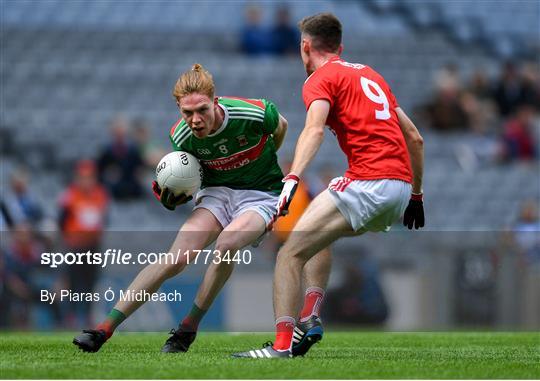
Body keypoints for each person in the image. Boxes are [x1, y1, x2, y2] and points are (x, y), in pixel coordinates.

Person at [73, 64, 331, 353]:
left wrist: (266, 156)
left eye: (202, 110)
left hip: (261, 195)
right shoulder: (181, 136)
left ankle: (187, 328)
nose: (195, 120)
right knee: (175, 258)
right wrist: (175, 190)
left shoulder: (254, 113)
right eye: (187, 113)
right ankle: (103, 330)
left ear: (215, 101)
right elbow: (188, 173)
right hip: (217, 194)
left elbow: (280, 127)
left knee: (227, 243)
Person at [234, 12, 425, 358]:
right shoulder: (371, 75)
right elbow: (414, 136)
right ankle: (310, 316)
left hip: (368, 180)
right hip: (399, 188)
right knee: (317, 236)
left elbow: (314, 128)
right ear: (341, 46)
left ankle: (281, 347)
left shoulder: (320, 78)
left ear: (306, 47)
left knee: (288, 254)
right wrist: (416, 195)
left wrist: (293, 177)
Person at [59, 160, 109, 327]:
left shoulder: (100, 194)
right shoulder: (70, 195)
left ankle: (87, 316)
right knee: (73, 282)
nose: (86, 180)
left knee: (90, 283)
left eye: (89, 177)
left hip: (93, 246)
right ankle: (71, 316)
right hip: (75, 246)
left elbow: (104, 219)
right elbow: (62, 220)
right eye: (83, 177)